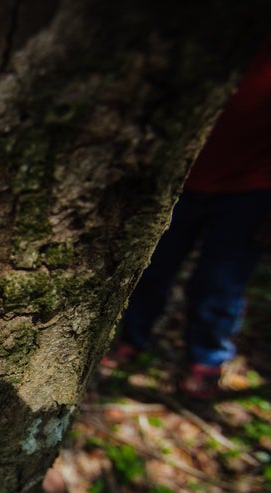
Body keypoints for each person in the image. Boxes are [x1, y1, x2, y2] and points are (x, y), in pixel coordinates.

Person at [104, 35, 271, 400]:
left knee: (218, 284)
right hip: (180, 181)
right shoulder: (205, 33)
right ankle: (132, 339)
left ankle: (207, 360)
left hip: (252, 190)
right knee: (151, 269)